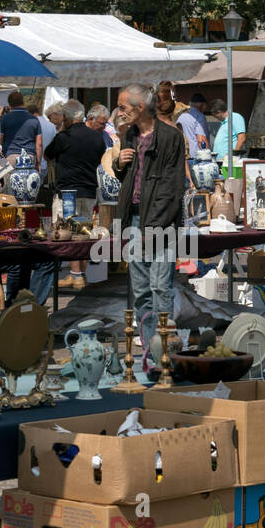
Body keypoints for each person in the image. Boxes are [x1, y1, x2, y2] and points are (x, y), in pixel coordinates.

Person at [113, 83, 187, 354]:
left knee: (159, 285)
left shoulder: (170, 137)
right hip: (133, 219)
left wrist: (152, 226)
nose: (119, 112)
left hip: (161, 222)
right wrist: (119, 163)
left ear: (140, 107)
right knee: (141, 288)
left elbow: (172, 186)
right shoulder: (129, 135)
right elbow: (126, 178)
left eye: (122, 106)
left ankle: (163, 348)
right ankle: (148, 350)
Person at [45, 99, 106, 292]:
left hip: (67, 192)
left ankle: (75, 276)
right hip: (88, 190)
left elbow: (48, 154)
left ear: (66, 117)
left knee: (68, 234)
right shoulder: (97, 138)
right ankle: (81, 274)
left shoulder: (64, 137)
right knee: (84, 234)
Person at [0, 89, 42, 167]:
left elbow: (0, 138)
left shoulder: (5, 118)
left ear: (9, 104)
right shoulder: (34, 119)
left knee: (8, 178)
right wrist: (38, 163)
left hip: (10, 157)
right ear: (23, 102)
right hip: (29, 158)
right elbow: (39, 144)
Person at [210, 98, 246, 165]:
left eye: (214, 115)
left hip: (231, 162)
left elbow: (241, 137)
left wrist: (234, 156)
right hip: (222, 161)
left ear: (219, 112)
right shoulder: (224, 122)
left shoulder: (235, 117)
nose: (215, 117)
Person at [177, 91, 209, 165]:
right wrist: (208, 159)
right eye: (205, 106)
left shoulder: (180, 115)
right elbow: (201, 140)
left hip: (181, 156)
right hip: (195, 158)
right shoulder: (199, 116)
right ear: (202, 105)